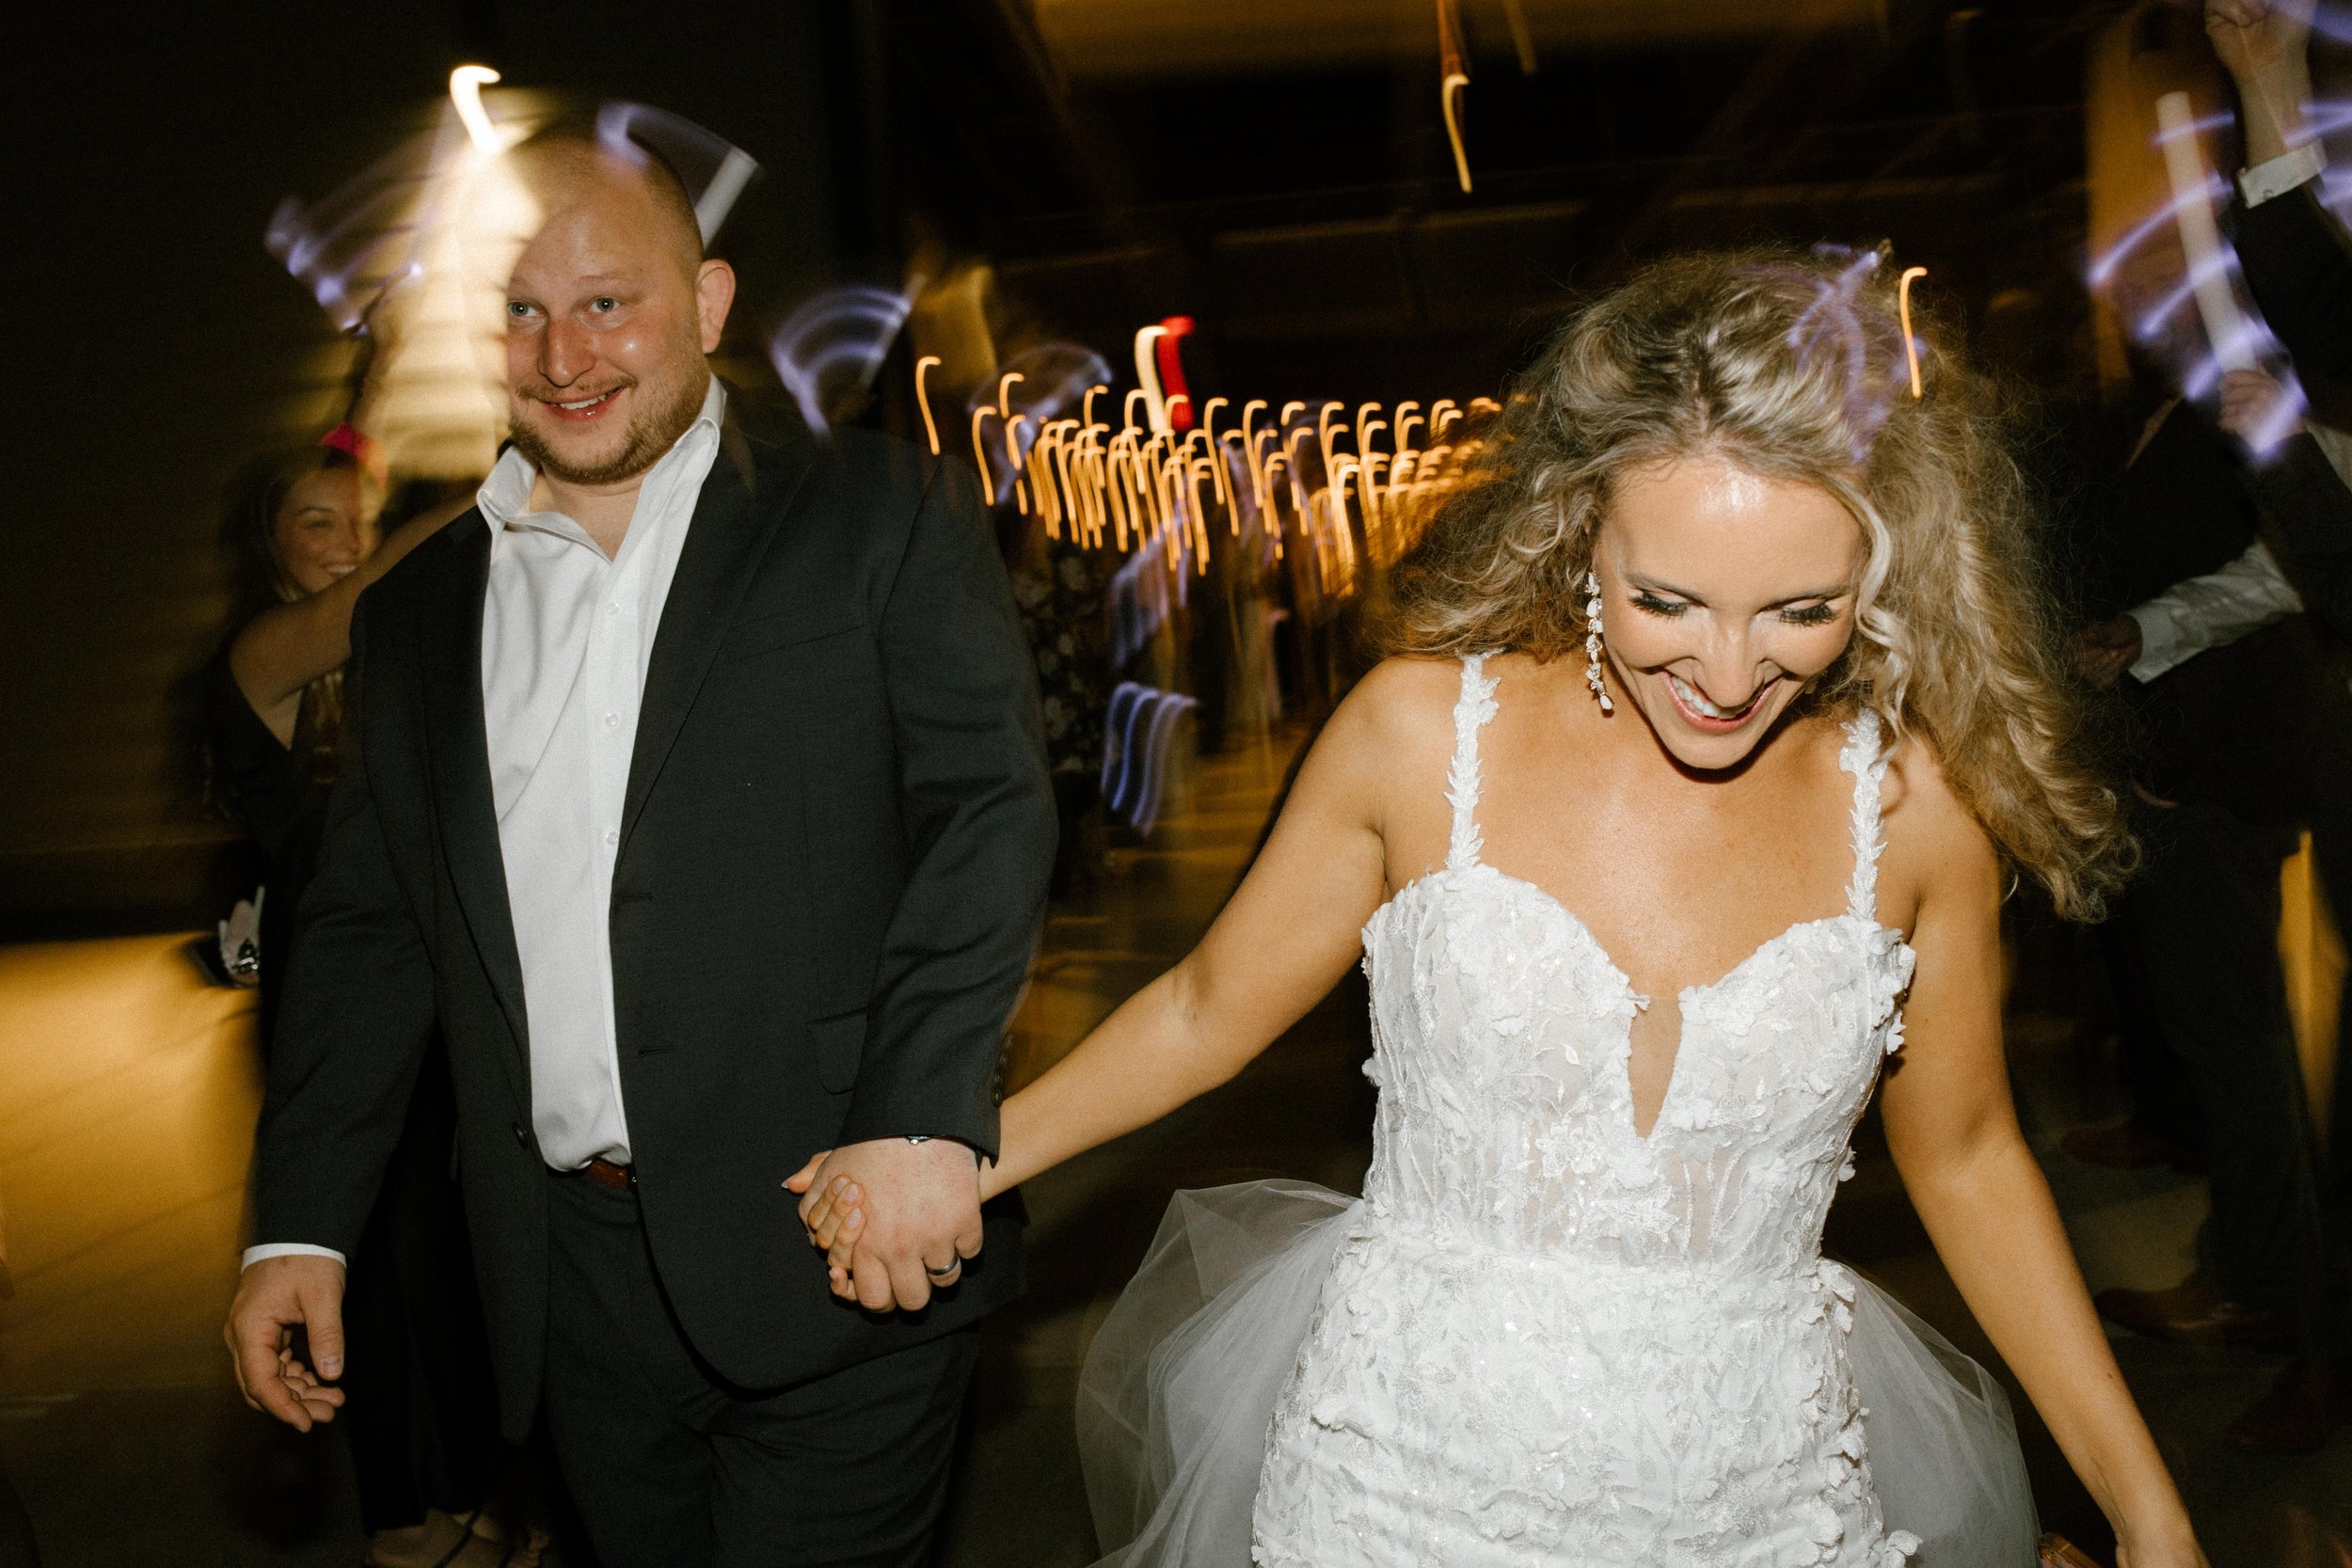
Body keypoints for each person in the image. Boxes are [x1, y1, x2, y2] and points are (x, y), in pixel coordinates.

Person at [802, 251, 2207, 1567]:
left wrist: (2148, 1506)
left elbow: (1965, 1154)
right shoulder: (1423, 739)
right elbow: (1202, 1006)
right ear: (1579, 521)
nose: (1726, 670)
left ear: (1883, 573)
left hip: (1757, 1490)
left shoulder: (1909, 807)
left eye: (1801, 609)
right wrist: (955, 1155)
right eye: (1668, 598)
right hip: (1402, 1479)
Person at [225, 127, 1057, 1568]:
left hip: (843, 1242)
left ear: (713, 303)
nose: (565, 355)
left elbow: (987, 813)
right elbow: (370, 929)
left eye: (609, 302)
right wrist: (296, 1222)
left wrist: (924, 1112)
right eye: (524, 310)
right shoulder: (418, 621)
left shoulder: (875, 515)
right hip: (570, 1295)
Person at [210, 440, 530, 1567]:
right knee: (368, 1264)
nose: (346, 543)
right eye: (316, 522)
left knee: (457, 1250)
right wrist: (519, 469)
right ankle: (403, 1515)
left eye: (361, 518)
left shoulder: (411, 657)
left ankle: (487, 1488)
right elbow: (370, 592)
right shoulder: (263, 655)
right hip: (336, 1006)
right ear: (270, 546)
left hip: (433, 994)